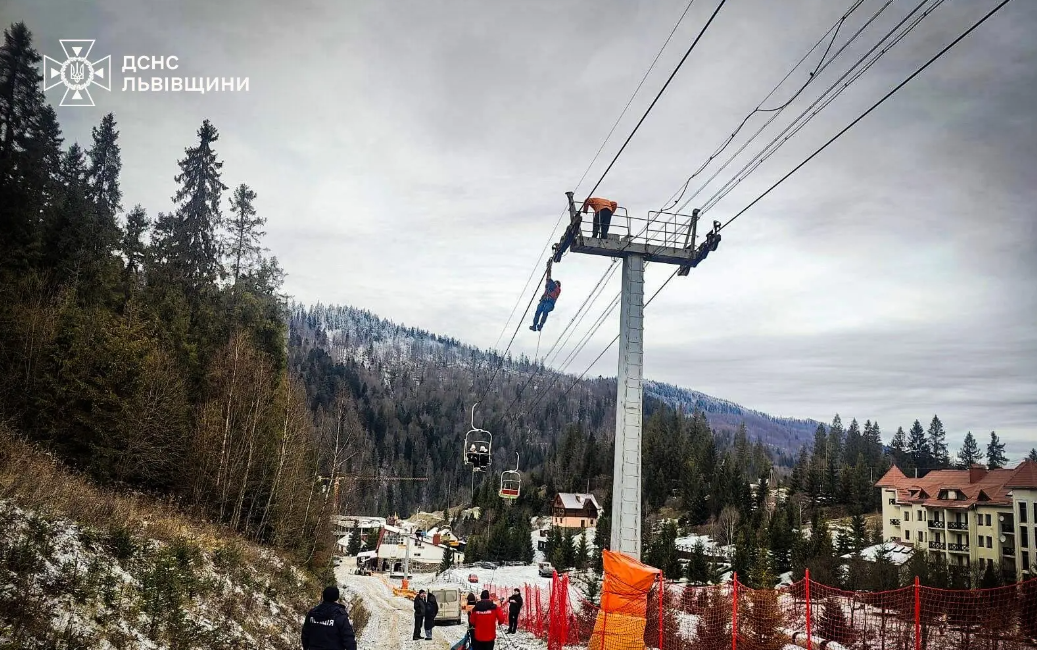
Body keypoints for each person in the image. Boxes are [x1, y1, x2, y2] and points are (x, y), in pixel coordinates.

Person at [301, 586, 357, 650]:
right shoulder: (340, 615)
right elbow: (349, 639)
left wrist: (306, 647)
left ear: (323, 596)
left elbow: (305, 635)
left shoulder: (312, 613)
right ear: (337, 598)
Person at [530, 260, 560, 332]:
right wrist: (549, 267)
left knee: (545, 311)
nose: (555, 283)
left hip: (550, 303)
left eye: (556, 283)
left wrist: (550, 280)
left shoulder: (558, 289)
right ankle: (534, 325)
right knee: (538, 311)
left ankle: (540, 325)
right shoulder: (549, 284)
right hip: (543, 301)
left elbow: (552, 283)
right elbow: (548, 276)